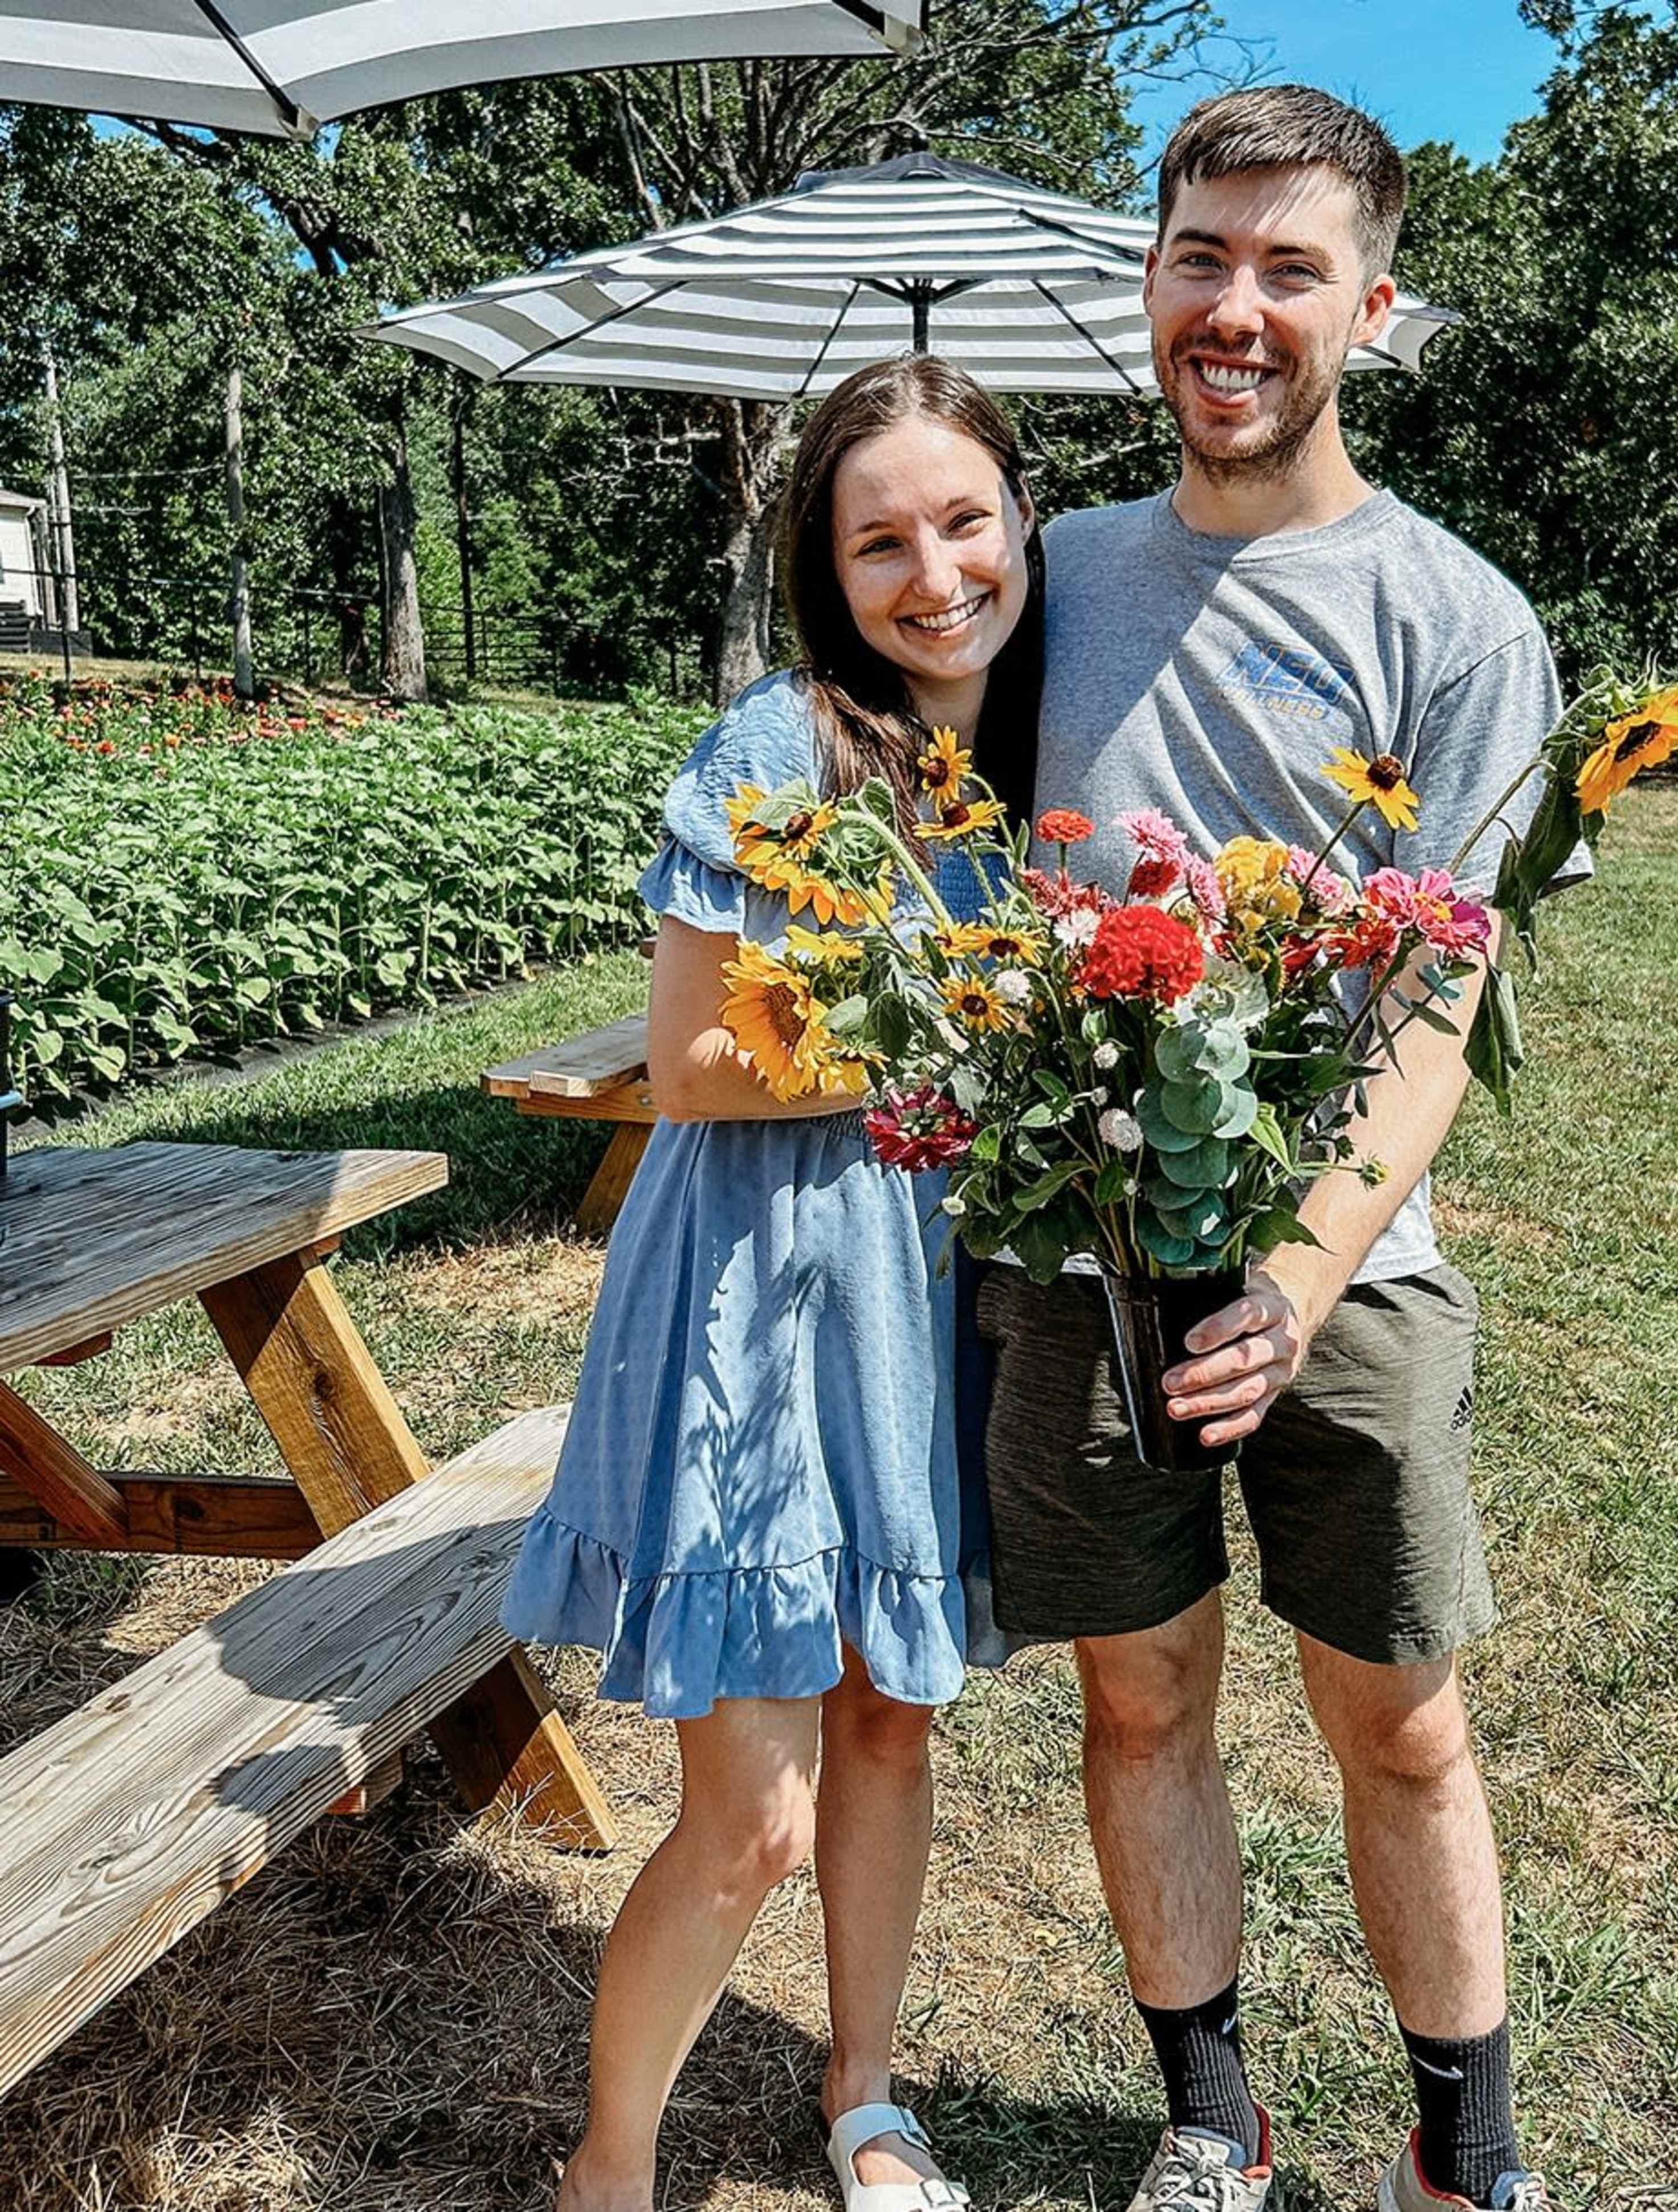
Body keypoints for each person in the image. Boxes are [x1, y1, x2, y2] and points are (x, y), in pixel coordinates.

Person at [975, 85, 1584, 2212]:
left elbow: (1439, 1007)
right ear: (1148, 284)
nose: (1235, 310)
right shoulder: (1040, 585)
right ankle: (1209, 2119)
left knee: (1400, 1718)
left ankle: (1464, 2152)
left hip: (1350, 1268)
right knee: (1141, 1703)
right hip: (1072, 1252)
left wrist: (1301, 1275)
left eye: (1288, 268)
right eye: (1199, 259)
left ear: (1372, 306)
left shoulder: (1458, 621)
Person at [503, 354, 1042, 2212]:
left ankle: (866, 2094)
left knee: (893, 1711)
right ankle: (612, 2160)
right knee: (751, 1819)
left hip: (919, 1299)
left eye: (965, 520)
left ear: (1023, 522)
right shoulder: (780, 743)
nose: (934, 570)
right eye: (879, 537)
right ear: (830, 567)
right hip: (758, 1294)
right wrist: (968, 1035)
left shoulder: (1007, 766)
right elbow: (687, 1062)